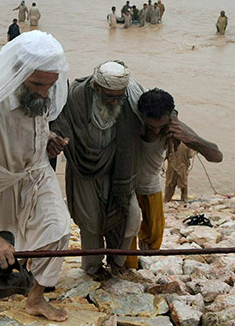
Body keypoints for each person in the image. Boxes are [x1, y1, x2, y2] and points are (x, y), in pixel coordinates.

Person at [0, 30, 72, 321]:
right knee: (4, 245)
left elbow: (32, 130)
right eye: (37, 85)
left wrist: (48, 138)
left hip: (37, 173)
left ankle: (36, 298)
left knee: (58, 229)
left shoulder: (42, 94)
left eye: (50, 85)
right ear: (17, 73)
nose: (45, 93)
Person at [51, 61, 144, 279]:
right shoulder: (76, 95)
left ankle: (117, 260)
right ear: (96, 89)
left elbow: (158, 109)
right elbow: (60, 120)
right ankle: (92, 267)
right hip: (84, 166)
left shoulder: (132, 95)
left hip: (118, 166)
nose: (114, 101)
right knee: (90, 221)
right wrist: (57, 138)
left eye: (118, 97)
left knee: (132, 218)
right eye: (109, 97)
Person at [126, 89, 222, 268]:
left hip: (150, 185)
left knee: (154, 238)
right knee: (128, 228)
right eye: (150, 126)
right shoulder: (131, 123)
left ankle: (141, 264)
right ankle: (126, 267)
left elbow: (217, 156)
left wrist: (191, 138)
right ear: (142, 116)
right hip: (126, 185)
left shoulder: (176, 128)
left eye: (160, 127)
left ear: (169, 118)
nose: (155, 130)